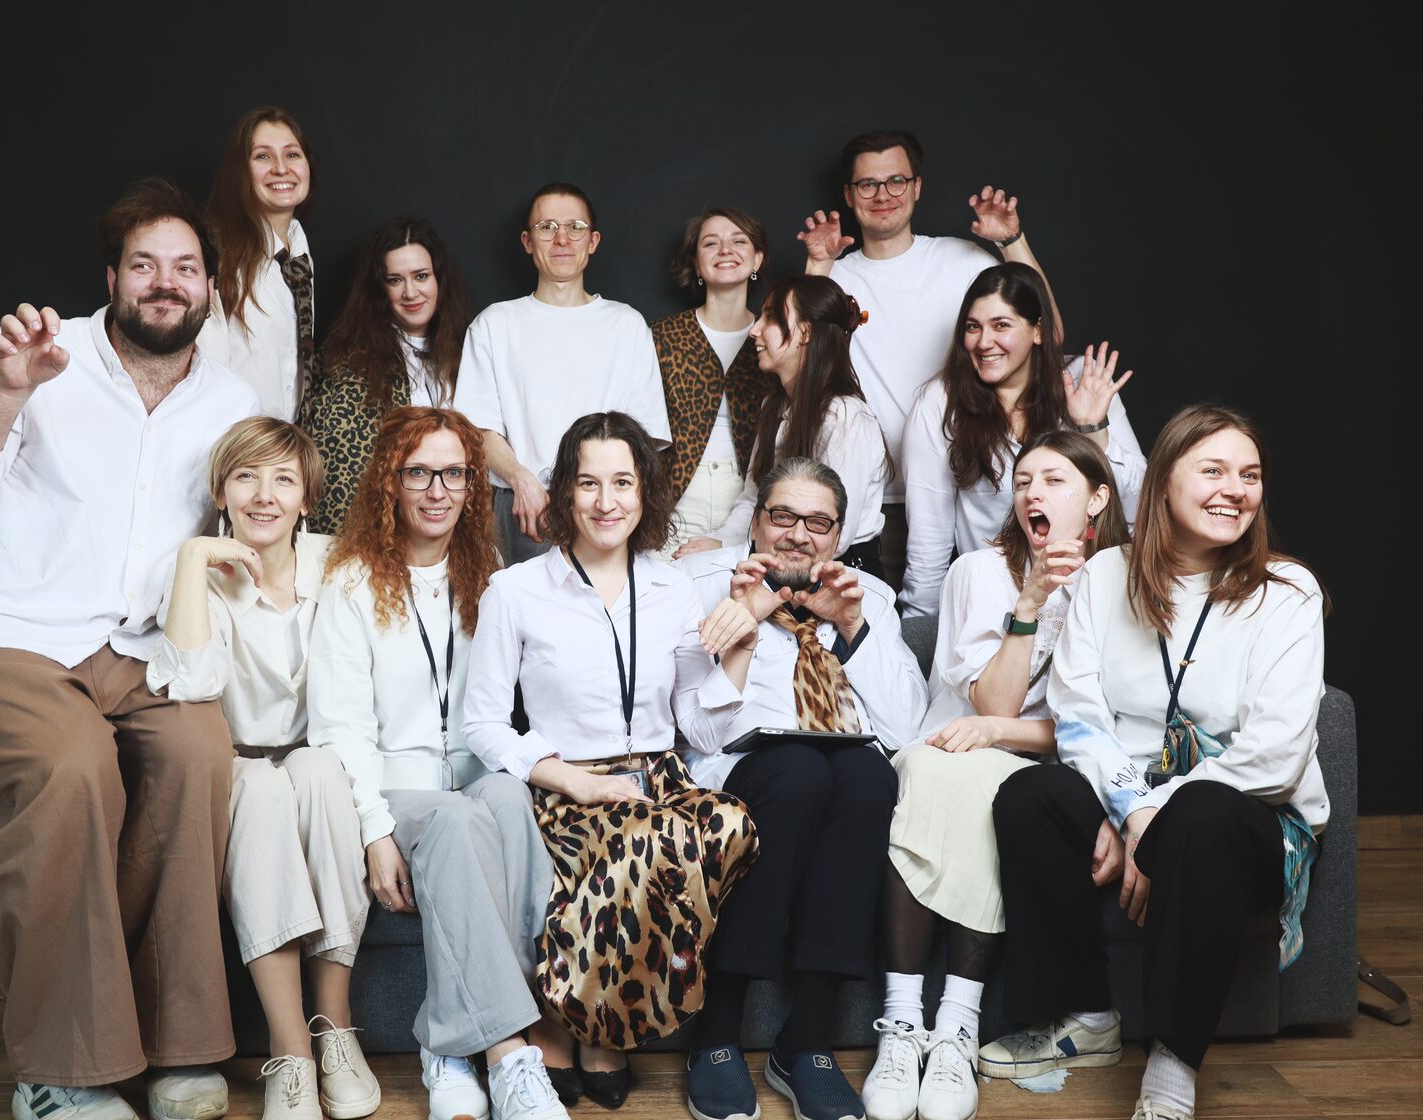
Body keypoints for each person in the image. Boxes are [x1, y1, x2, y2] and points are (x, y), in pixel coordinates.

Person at [0, 179, 259, 1120]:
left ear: (210, 287)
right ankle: (59, 1071)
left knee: (198, 754)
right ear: (111, 278)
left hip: (135, 649)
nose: (165, 283)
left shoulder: (231, 399)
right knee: (73, 767)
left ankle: (175, 1043)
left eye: (185, 268)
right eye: (144, 265)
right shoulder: (27, 356)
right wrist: (7, 391)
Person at [983, 405, 1330, 1120]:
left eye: (1250, 475)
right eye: (1213, 470)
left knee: (1201, 815)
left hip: (1245, 819)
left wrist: (1158, 821)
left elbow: (1274, 756)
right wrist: (1134, 812)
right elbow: (1079, 716)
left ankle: (1172, 1068)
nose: (1235, 489)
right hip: (1137, 796)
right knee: (1030, 797)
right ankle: (1086, 1016)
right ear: (1163, 482)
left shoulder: (1289, 592)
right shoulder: (1106, 575)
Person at [463, 411, 763, 1109]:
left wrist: (740, 654)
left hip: (657, 777)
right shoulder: (517, 590)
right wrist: (568, 778)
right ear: (565, 493)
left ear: (644, 491)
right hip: (562, 785)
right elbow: (482, 722)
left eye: (622, 483)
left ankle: (586, 1018)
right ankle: (589, 1030)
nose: (606, 501)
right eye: (589, 483)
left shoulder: (672, 586)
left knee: (729, 824)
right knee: (640, 839)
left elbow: (700, 730)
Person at [307, 407, 570, 1120]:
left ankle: (449, 1048)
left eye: (454, 473)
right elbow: (339, 726)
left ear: (472, 485)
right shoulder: (352, 583)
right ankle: (510, 1056)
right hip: (399, 789)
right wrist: (373, 830)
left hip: (477, 779)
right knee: (455, 819)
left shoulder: (491, 576)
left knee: (510, 801)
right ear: (390, 483)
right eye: (419, 472)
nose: (437, 490)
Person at [865, 432, 1128, 1120]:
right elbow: (994, 704)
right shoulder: (978, 573)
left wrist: (999, 735)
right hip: (949, 747)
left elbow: (1107, 725)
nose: (1033, 492)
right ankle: (903, 1024)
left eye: (1054, 480)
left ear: (1097, 498)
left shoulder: (1121, 582)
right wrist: (1031, 601)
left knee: (1007, 790)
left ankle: (957, 1028)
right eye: (1023, 482)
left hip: (1043, 768)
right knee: (947, 773)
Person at [677, 457, 928, 1120]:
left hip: (844, 769)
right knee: (798, 770)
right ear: (756, 521)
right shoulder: (701, 582)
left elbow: (905, 727)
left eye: (818, 523)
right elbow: (697, 731)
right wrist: (743, 620)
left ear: (839, 536)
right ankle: (717, 1031)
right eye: (783, 516)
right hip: (741, 769)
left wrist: (851, 628)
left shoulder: (868, 597)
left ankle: (807, 1040)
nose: (798, 534)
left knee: (868, 775)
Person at [146, 418, 374, 1120]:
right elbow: (189, 684)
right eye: (246, 477)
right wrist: (194, 558)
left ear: (307, 498)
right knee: (266, 790)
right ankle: (290, 1047)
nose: (264, 495)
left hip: (316, 759)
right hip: (237, 769)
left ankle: (334, 1028)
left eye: (283, 479)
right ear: (221, 493)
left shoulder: (341, 564)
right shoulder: (198, 576)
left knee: (319, 773)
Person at [797, 129, 1065, 578]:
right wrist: (818, 267)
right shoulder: (835, 278)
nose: (883, 195)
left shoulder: (963, 260)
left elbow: (1047, 334)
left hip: (967, 488)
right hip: (868, 499)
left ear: (917, 186)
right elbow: (798, 361)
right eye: (868, 184)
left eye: (896, 181)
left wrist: (1012, 240)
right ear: (849, 195)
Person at [900, 261, 1145, 615]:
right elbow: (928, 541)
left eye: (1001, 325)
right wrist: (919, 629)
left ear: (1038, 331)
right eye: (973, 327)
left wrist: (1092, 429)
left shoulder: (1083, 382)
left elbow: (1139, 507)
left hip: (1094, 595)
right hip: (997, 601)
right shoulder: (939, 403)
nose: (984, 342)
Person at [452, 182, 672, 564]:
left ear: (593, 241)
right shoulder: (494, 324)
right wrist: (521, 480)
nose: (562, 239)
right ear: (527, 241)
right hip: (522, 508)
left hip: (605, 506)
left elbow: (644, 436)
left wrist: (598, 491)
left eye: (575, 227)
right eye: (547, 227)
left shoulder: (627, 324)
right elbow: (476, 429)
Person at [676, 275, 888, 577]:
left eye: (771, 318)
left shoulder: (845, 417)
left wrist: (734, 553)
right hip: (781, 560)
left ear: (805, 333)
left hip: (842, 572)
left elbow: (835, 537)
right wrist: (721, 543)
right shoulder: (774, 407)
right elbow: (753, 498)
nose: (755, 330)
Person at [302, 217, 470, 532]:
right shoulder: (351, 363)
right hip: (383, 534)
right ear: (380, 289)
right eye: (395, 280)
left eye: (421, 276)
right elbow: (338, 475)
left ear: (439, 280)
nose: (411, 292)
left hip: (450, 527)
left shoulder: (466, 354)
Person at [651, 207, 774, 546]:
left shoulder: (774, 338)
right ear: (695, 262)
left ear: (758, 259)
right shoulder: (661, 336)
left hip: (752, 501)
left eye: (739, 241)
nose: (725, 250)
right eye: (710, 243)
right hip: (674, 503)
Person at [200, 106, 316, 421]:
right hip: (233, 442)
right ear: (240, 170)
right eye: (263, 156)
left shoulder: (299, 257)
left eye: (292, 155)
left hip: (282, 444)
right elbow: (203, 370)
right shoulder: (215, 254)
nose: (281, 168)